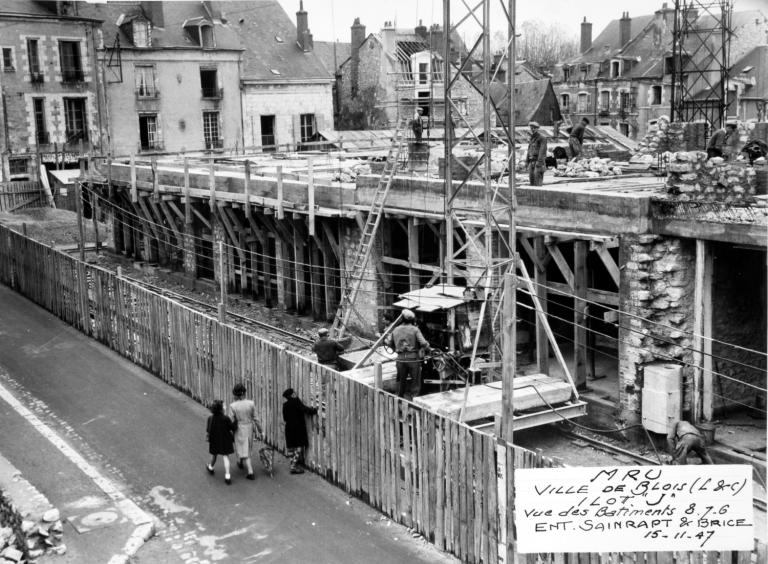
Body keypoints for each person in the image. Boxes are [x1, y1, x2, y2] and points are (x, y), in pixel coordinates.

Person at [387, 309, 432, 400]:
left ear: (402, 319)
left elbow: (388, 343)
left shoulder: (396, 329)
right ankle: (414, 402)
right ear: (412, 319)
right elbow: (423, 343)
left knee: (400, 382)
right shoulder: (415, 329)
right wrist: (429, 348)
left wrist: (395, 349)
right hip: (413, 359)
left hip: (400, 359)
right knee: (415, 383)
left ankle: (399, 401)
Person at [229, 383, 262, 480]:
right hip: (249, 427)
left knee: (241, 447)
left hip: (239, 428)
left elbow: (230, 420)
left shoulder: (233, 406)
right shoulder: (251, 403)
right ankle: (240, 462)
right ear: (244, 393)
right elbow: (256, 418)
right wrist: (261, 430)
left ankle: (250, 472)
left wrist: (229, 430)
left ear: (235, 394)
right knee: (247, 446)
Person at [282, 388, 318, 474]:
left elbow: (285, 418)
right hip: (297, 427)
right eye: (294, 392)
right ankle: (293, 466)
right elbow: (304, 409)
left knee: (291, 446)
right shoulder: (296, 401)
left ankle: (292, 463)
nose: (296, 393)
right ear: (292, 394)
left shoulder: (285, 405)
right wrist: (314, 410)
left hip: (289, 427)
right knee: (299, 446)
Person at [206, 399, 236, 485]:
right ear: (221, 409)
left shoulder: (210, 418)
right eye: (224, 406)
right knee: (225, 457)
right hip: (225, 440)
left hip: (214, 440)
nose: (225, 407)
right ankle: (227, 476)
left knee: (214, 455)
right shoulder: (226, 418)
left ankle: (210, 467)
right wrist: (236, 421)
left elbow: (208, 430)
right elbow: (232, 427)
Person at [526, 121, 547, 186]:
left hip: (538, 162)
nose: (532, 129)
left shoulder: (542, 138)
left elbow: (542, 151)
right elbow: (529, 150)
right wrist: (527, 161)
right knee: (531, 181)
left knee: (538, 182)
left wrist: (539, 162)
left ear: (537, 128)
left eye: (534, 128)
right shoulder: (532, 138)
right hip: (531, 162)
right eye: (531, 128)